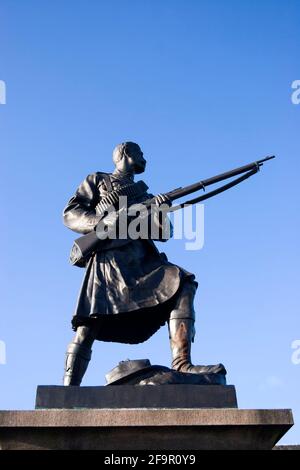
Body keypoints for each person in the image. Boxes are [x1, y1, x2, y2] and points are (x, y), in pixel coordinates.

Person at [62, 141, 225, 385]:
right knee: (89, 325)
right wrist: (102, 221)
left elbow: (164, 233)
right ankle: (68, 388)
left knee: (183, 283)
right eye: (140, 153)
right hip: (109, 260)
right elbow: (70, 213)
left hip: (141, 261)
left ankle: (182, 363)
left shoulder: (145, 195)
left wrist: (159, 210)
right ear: (126, 153)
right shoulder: (98, 180)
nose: (144, 158)